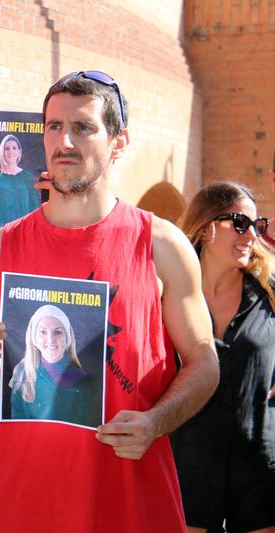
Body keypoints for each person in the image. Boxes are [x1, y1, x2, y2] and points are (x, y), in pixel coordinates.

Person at [0, 71, 219, 532]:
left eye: (83, 127)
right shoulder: (0, 248)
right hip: (27, 504)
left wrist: (156, 421)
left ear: (118, 142)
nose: (65, 141)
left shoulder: (162, 244)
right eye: (54, 127)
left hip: (131, 504)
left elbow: (205, 361)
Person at [170, 182, 275, 533]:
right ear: (206, 225)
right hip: (187, 466)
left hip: (260, 468)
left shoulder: (270, 291)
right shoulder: (168, 293)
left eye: (256, 227)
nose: (251, 236)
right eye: (240, 224)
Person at [8, 304, 94, 425]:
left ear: (67, 337)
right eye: (42, 332)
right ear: (34, 338)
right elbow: (16, 419)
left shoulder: (82, 380)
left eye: (58, 332)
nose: (51, 340)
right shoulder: (22, 373)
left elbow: (84, 424)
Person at [0, 134, 39, 232]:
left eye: (14, 148)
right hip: (2, 230)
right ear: (2, 152)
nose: (11, 152)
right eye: (7, 149)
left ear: (19, 152)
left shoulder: (27, 177)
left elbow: (34, 206)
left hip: (24, 230)